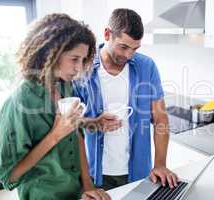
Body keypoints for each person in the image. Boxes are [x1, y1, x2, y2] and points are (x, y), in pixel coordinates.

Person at [0, 13, 110, 200]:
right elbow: (9, 176)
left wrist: (88, 187)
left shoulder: (64, 85)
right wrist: (55, 135)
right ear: (51, 52)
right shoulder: (20, 103)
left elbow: (76, 135)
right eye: (74, 59)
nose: (79, 68)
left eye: (83, 60)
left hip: (76, 192)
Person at [73, 8, 178, 191]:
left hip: (137, 173)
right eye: (123, 47)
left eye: (135, 49)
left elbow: (160, 118)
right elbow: (71, 125)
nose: (129, 55)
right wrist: (94, 123)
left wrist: (160, 164)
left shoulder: (147, 67)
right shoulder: (83, 67)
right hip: (94, 175)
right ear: (107, 34)